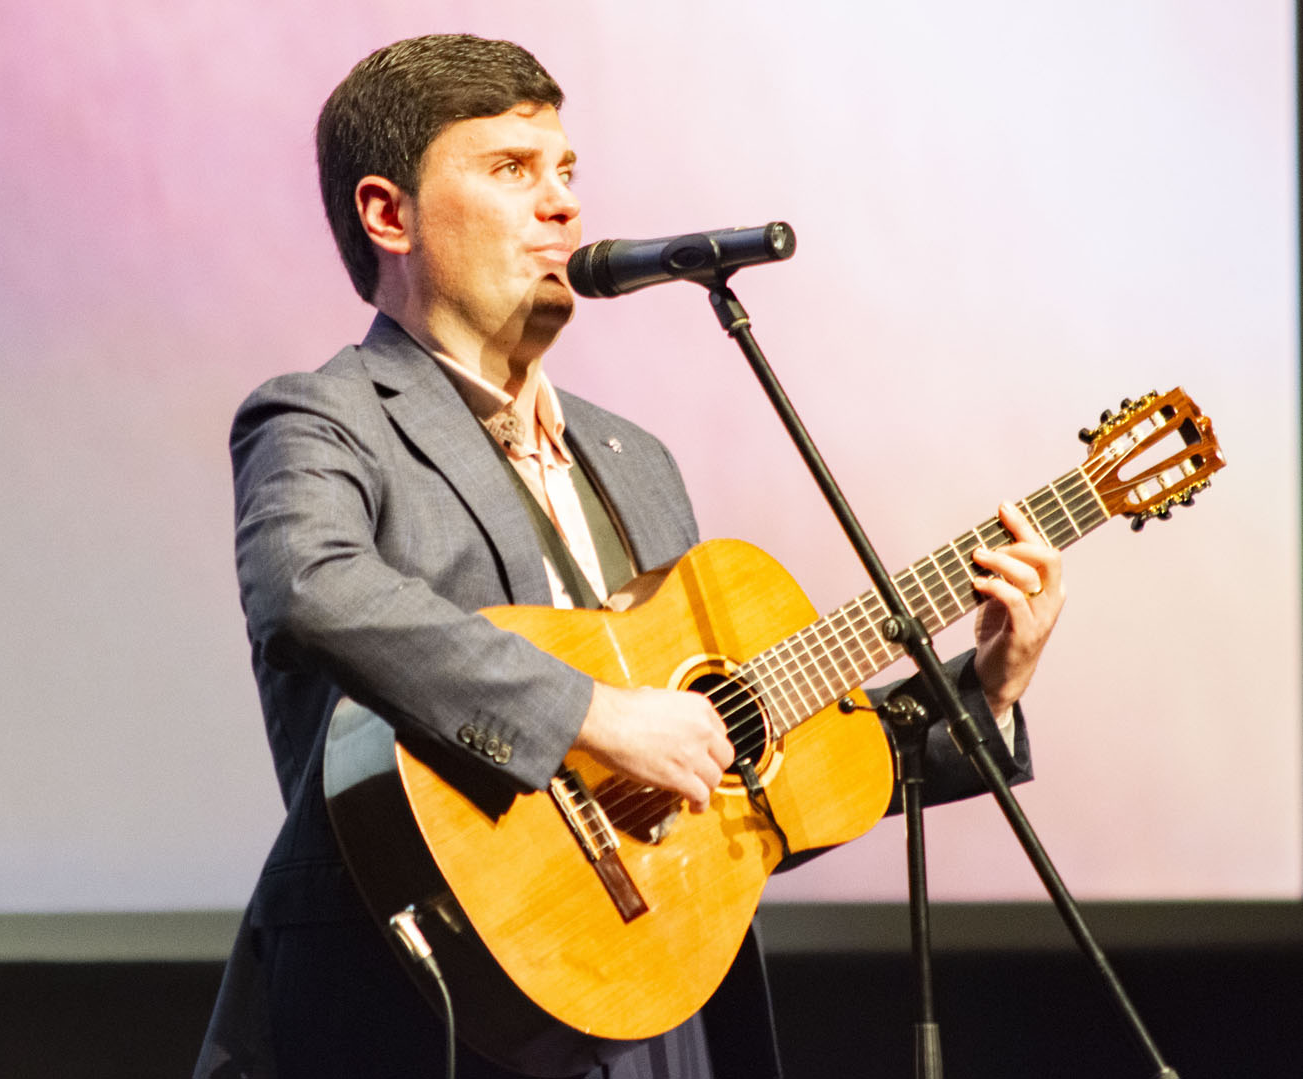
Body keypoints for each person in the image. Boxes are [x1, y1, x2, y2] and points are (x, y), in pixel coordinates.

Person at [195, 33, 1063, 1079]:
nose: (561, 204)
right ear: (390, 215)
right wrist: (593, 716)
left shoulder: (632, 461)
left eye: (566, 171)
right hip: (421, 1012)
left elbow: (738, 776)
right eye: (511, 169)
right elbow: (312, 587)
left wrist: (986, 689)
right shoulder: (323, 419)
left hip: (656, 1019)